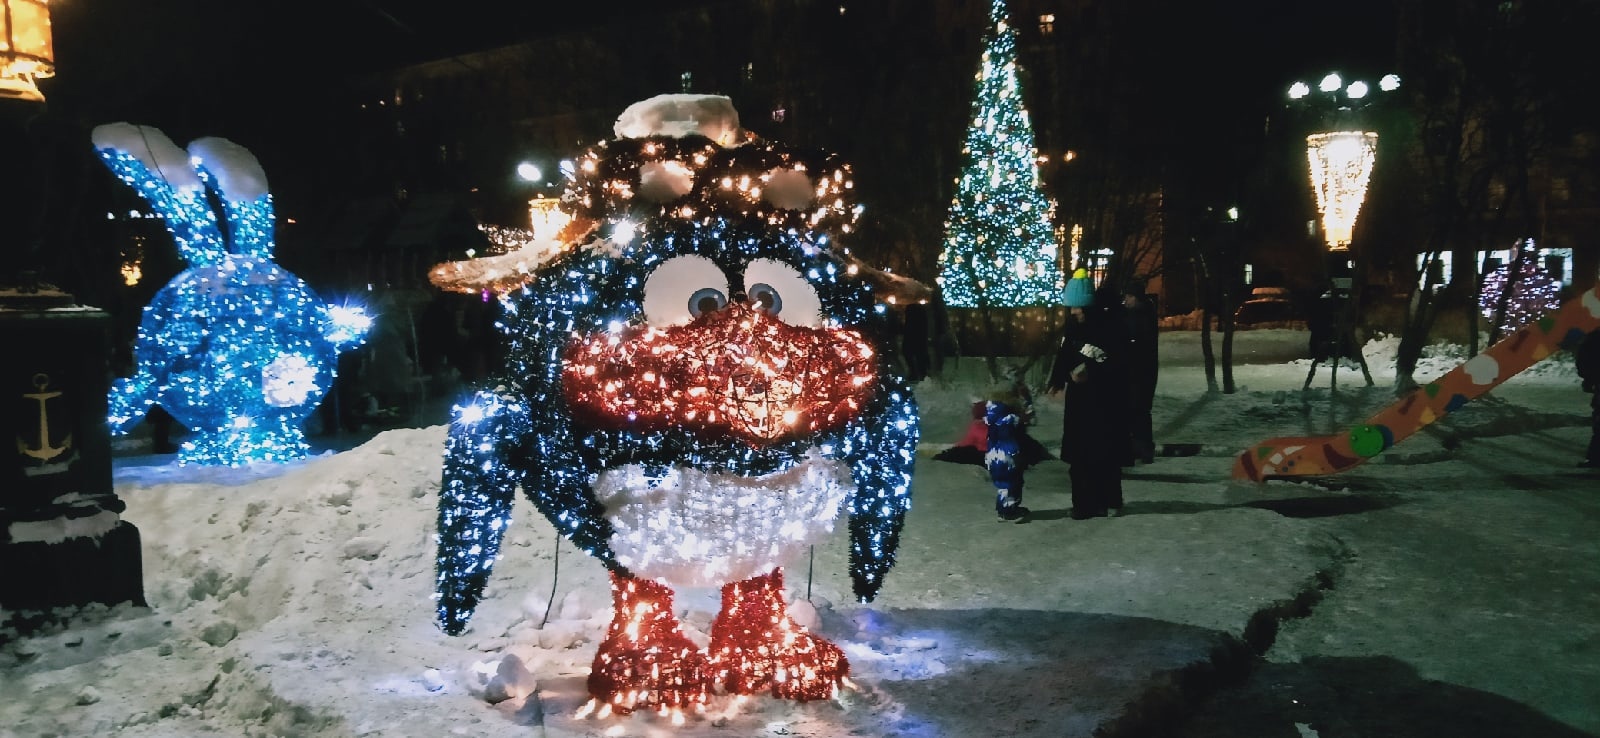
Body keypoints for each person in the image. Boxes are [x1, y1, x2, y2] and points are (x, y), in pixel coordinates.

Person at [1047, 271, 1130, 519]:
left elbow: (1118, 363)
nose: (1074, 311)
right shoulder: (1072, 330)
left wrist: (1093, 373)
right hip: (1079, 403)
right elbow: (1064, 357)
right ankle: (1083, 503)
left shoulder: (1108, 329)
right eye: (1071, 306)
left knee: (1103, 453)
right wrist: (1057, 379)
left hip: (1103, 402)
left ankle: (1107, 500)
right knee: (1080, 457)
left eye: (1078, 307)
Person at [1122, 282, 1159, 464]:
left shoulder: (1139, 316)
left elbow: (1138, 344)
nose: (1126, 300)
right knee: (1139, 411)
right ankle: (1141, 448)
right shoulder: (1145, 313)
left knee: (1138, 411)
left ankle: (1142, 449)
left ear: (1136, 298)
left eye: (1129, 297)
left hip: (1139, 372)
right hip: (1142, 371)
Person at [1577, 328, 1600, 468]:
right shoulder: (1593, 338)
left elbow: (1584, 361)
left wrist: (1589, 379)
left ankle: (1595, 458)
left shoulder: (1593, 337)